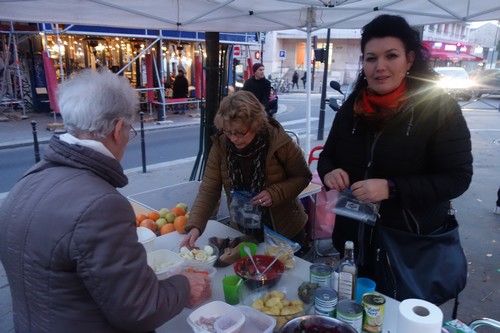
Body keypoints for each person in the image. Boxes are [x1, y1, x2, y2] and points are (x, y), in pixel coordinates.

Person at [0, 70, 211, 332]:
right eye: (129, 130)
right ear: (118, 129)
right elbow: (139, 308)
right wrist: (184, 285)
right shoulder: (101, 205)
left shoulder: (26, 181)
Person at [317, 15, 472, 296]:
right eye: (371, 58)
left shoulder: (439, 108)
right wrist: (329, 172)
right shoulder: (353, 105)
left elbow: (457, 178)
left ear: (409, 59)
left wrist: (391, 188)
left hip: (407, 246)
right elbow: (328, 156)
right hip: (353, 241)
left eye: (391, 56)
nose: (380, 67)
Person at [180, 91, 312, 250]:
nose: (233, 138)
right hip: (242, 231)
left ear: (256, 124)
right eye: (228, 132)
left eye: (240, 132)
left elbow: (303, 176)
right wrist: (196, 225)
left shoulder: (279, 142)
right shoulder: (221, 145)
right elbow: (209, 190)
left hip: (284, 231)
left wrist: (274, 193)